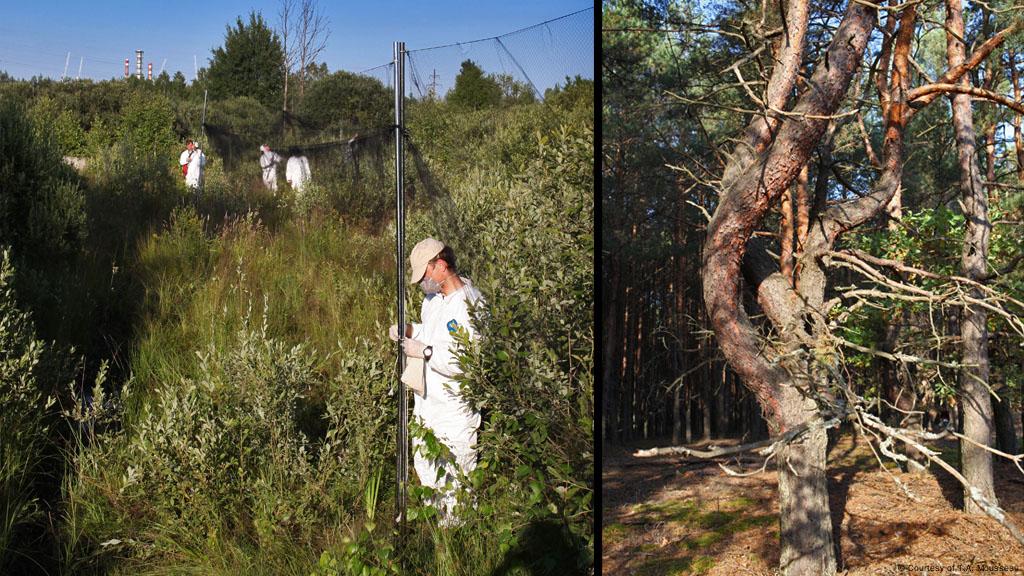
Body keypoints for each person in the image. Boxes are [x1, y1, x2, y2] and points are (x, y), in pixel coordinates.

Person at [389, 238, 484, 526]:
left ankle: (459, 542)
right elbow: (431, 332)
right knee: (428, 472)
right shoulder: (433, 300)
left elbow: (467, 362)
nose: (422, 283)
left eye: (425, 275)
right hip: (428, 407)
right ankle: (436, 535)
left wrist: (425, 352)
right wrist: (410, 330)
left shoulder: (470, 305)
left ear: (441, 266)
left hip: (454, 413)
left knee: (456, 479)